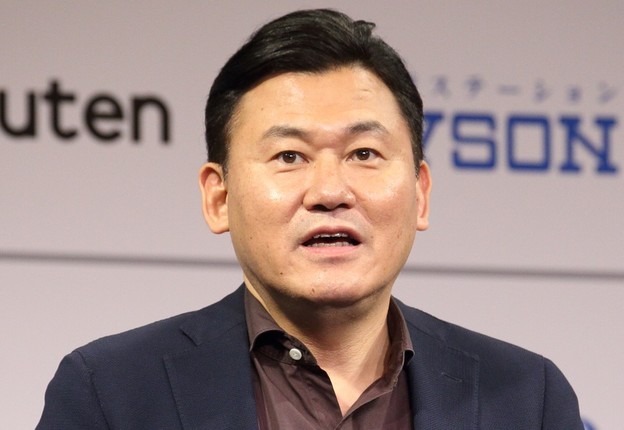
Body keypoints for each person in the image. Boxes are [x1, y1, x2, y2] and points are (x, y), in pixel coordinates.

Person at [37, 9, 584, 429]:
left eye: (364, 153)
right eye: (289, 156)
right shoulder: (111, 393)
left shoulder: (527, 398)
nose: (329, 192)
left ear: (420, 193)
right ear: (219, 198)